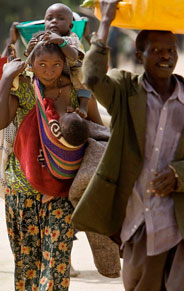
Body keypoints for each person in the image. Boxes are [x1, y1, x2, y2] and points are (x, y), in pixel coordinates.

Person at [72, 0, 184, 290]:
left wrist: (178, 175)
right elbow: (93, 77)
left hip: (179, 222)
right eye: (156, 50)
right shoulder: (124, 89)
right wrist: (106, 21)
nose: (165, 57)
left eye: (171, 50)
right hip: (138, 220)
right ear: (139, 53)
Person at [0, 41, 89, 290]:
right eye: (41, 64)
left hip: (62, 194)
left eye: (56, 64)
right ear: (31, 64)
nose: (49, 71)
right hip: (22, 193)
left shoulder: (78, 93)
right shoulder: (23, 89)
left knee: (57, 265)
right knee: (27, 268)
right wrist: (6, 78)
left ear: (64, 65)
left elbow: (94, 135)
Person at [25, 3, 102, 124]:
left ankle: (83, 104)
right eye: (50, 18)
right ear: (44, 23)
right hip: (51, 74)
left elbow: (74, 56)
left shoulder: (71, 38)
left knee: (83, 77)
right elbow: (30, 58)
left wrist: (61, 42)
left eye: (60, 18)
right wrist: (29, 49)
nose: (54, 21)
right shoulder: (40, 38)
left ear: (70, 26)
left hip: (73, 68)